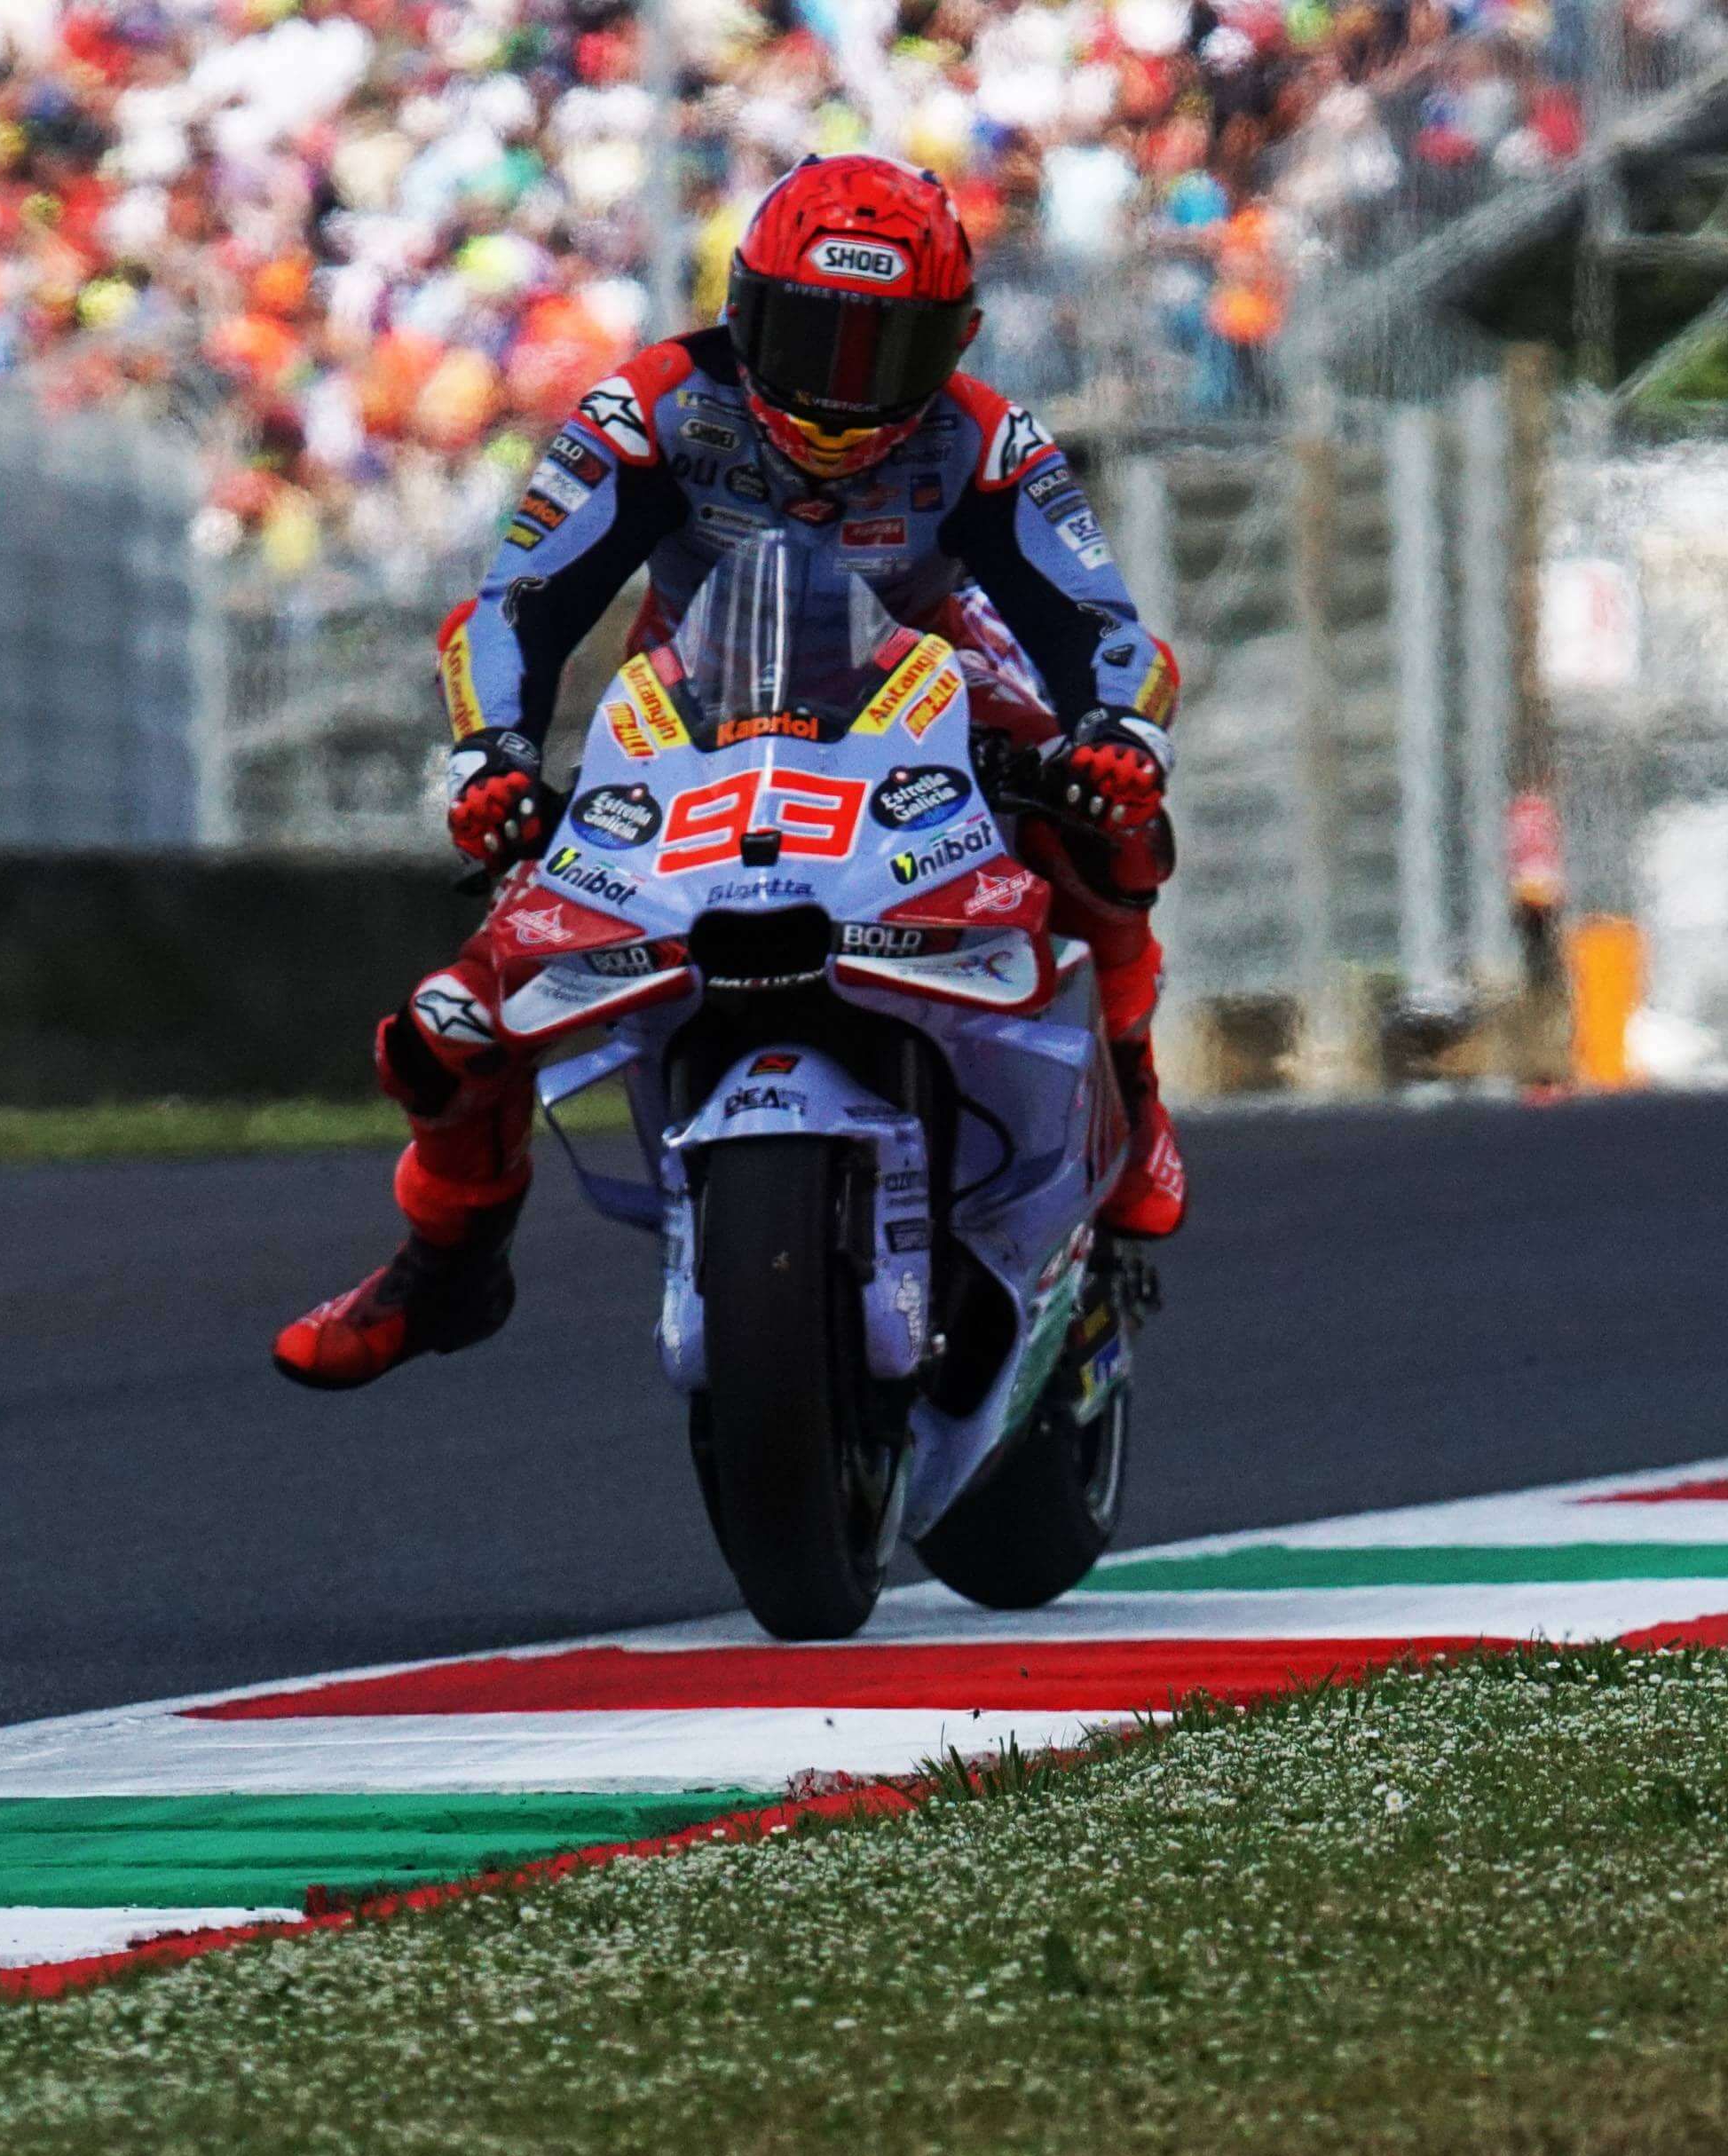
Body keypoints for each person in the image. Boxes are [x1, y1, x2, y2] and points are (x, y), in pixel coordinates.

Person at [276, 154, 1189, 1392]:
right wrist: (492, 755)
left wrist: (1115, 737)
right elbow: (514, 601)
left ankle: (1131, 1096)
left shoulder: (983, 437)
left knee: (1111, 830)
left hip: (931, 681)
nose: (835, 390)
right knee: (449, 1024)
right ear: (743, 310)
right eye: (809, 338)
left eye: (883, 353)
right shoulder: (652, 405)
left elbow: (1106, 624)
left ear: (953, 346)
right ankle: (448, 1263)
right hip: (685, 705)